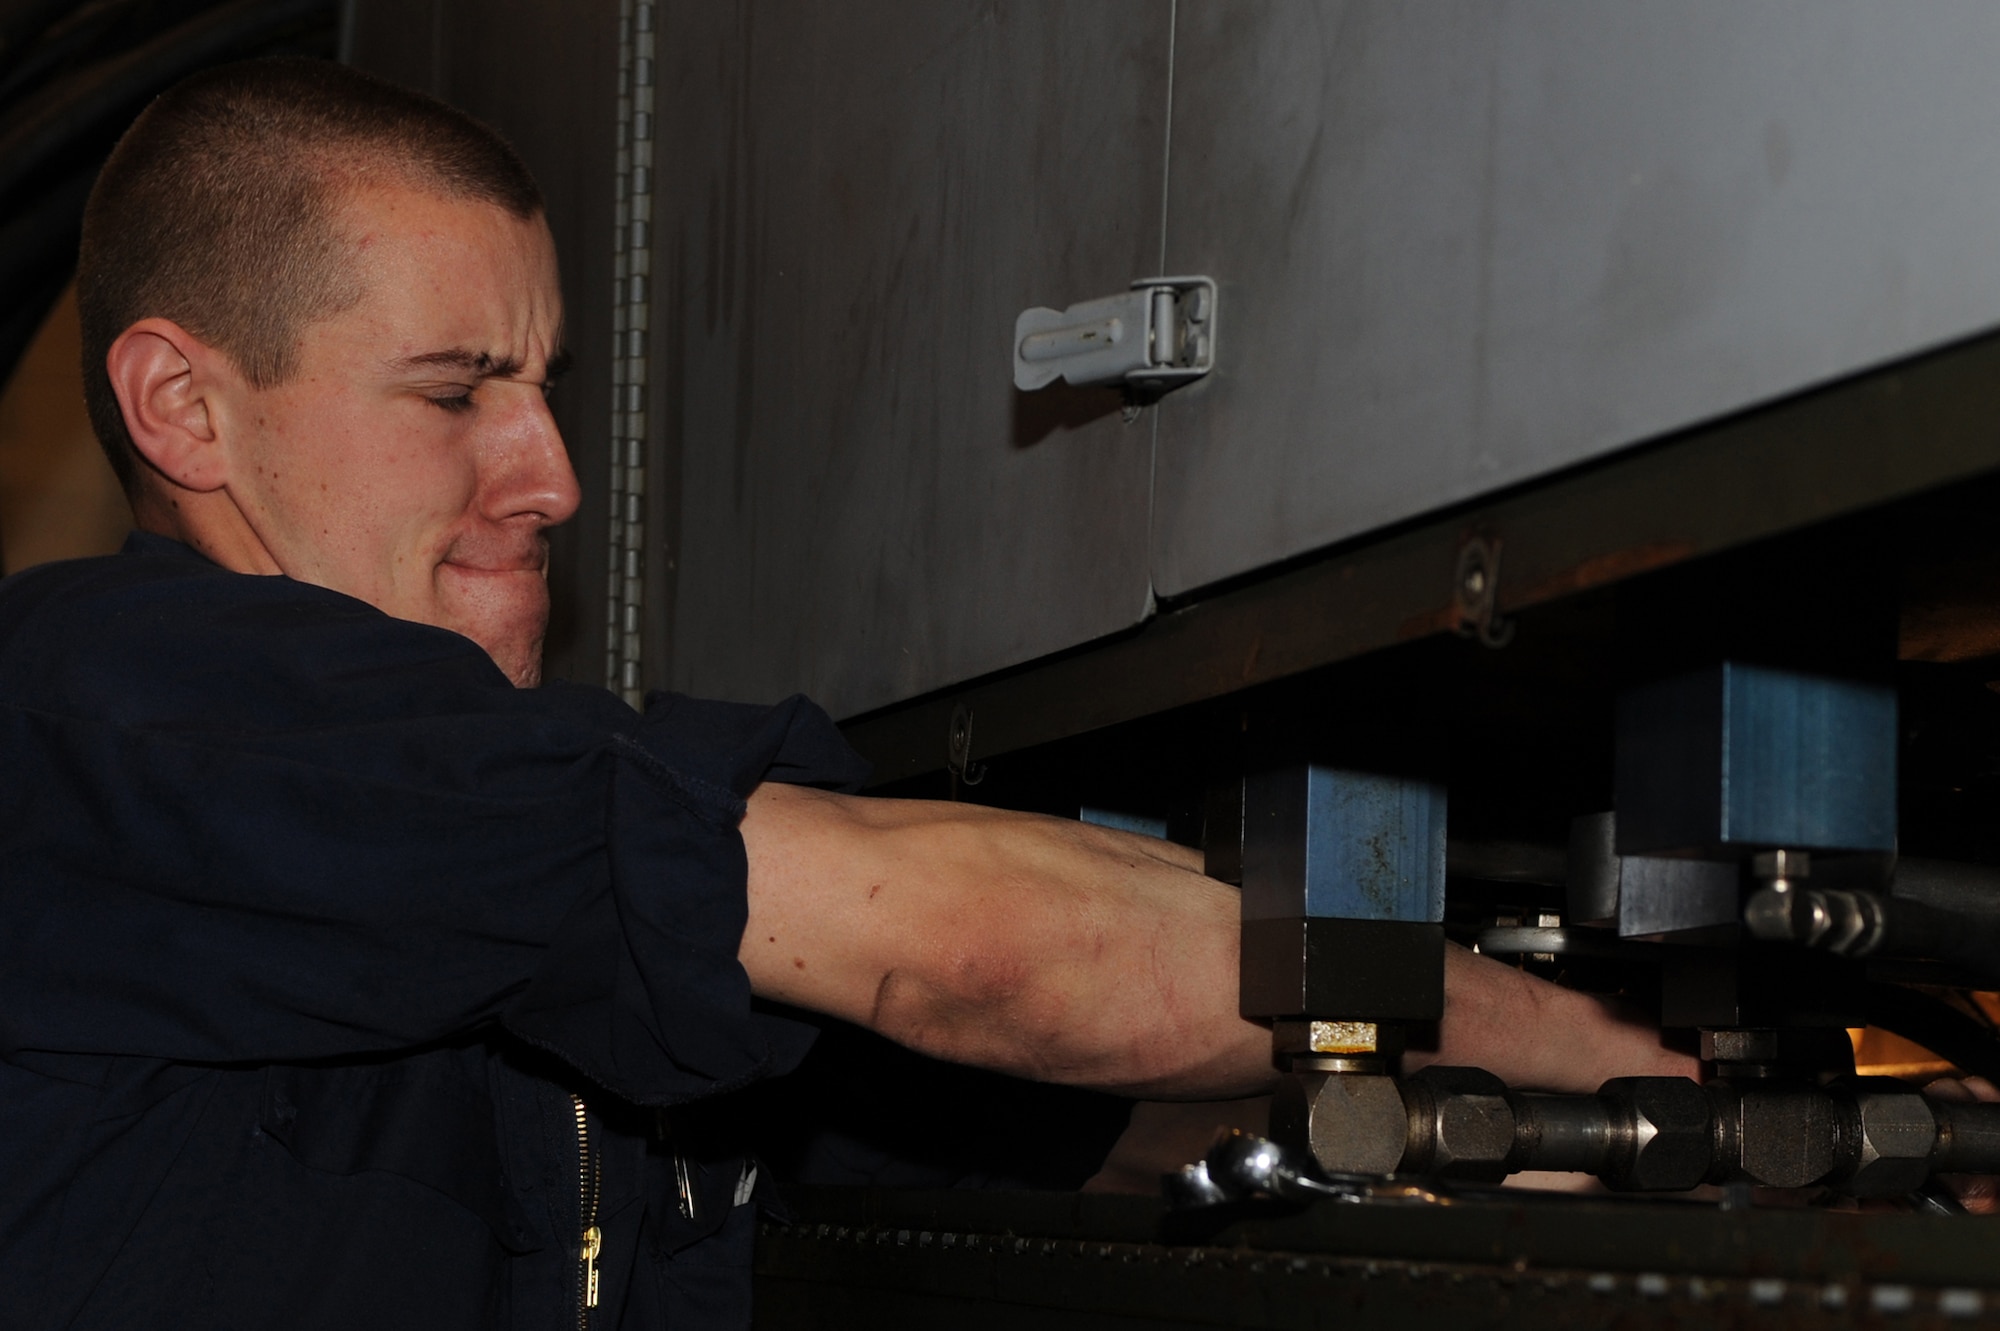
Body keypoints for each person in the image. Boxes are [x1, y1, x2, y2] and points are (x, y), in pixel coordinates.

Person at [0, 58, 1695, 1330]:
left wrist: (1522, 1135)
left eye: (546, 388)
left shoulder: (479, 857)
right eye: (456, 393)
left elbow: (1085, 1118)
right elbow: (959, 944)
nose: (553, 476)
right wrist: (1595, 1060)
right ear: (185, 410)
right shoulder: (104, 714)